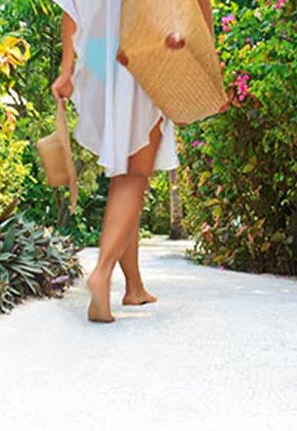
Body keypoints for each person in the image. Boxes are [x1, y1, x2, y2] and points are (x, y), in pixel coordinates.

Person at [51, 1, 210, 323]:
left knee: (125, 173)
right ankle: (102, 272)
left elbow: (72, 8)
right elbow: (199, 9)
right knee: (135, 176)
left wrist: (67, 70)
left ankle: (134, 287)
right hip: (146, 52)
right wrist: (206, 67)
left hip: (101, 58)